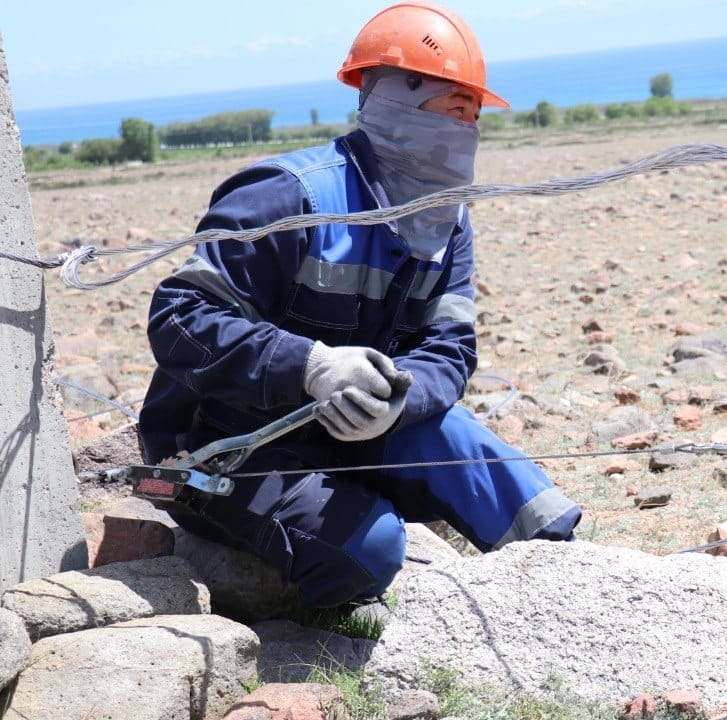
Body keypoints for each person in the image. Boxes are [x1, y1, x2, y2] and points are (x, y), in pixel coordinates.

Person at [138, 1, 581, 609]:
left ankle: (570, 583)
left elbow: (450, 349)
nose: (467, 130)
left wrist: (397, 402)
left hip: (350, 434)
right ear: (397, 99)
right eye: (454, 109)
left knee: (460, 442)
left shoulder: (446, 222)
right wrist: (312, 366)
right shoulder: (286, 195)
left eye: (474, 115)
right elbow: (180, 317)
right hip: (223, 448)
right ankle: (317, 626)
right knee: (367, 552)